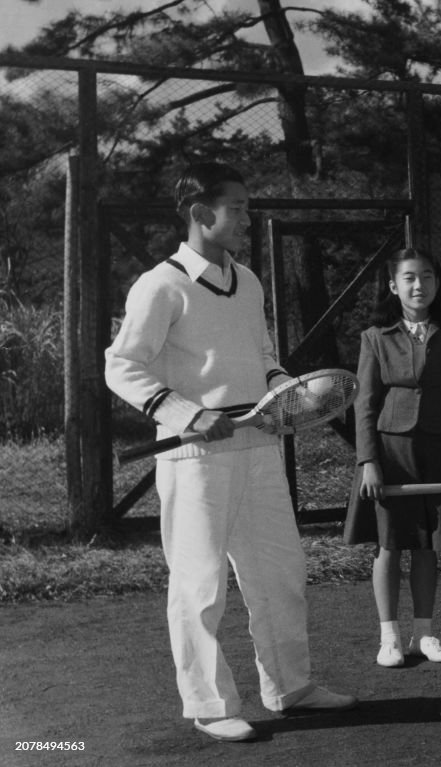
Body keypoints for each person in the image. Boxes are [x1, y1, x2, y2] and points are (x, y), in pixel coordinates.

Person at [104, 163, 357, 743]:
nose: (247, 217)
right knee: (200, 584)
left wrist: (286, 394)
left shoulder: (248, 278)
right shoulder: (159, 285)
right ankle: (210, 705)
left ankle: (290, 687)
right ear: (199, 214)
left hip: (260, 445)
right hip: (195, 458)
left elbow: (262, 354)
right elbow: (122, 365)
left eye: (247, 207)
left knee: (281, 572)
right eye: (237, 207)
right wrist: (188, 413)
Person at [344, 248, 441, 668]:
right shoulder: (374, 338)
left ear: (437, 284)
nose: (420, 286)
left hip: (437, 451)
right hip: (390, 455)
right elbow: (364, 404)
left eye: (428, 277)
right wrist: (368, 461)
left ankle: (425, 634)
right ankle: (390, 639)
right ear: (394, 286)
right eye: (410, 278)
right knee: (389, 546)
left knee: (426, 548)